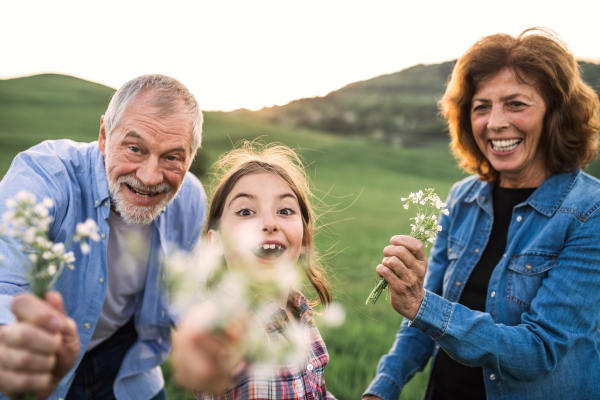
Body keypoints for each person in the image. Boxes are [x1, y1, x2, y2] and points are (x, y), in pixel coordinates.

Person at [363, 28, 600, 400]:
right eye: (481, 107)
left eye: (516, 104)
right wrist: (382, 389)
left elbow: (539, 350)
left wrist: (422, 305)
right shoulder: (462, 198)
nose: (494, 122)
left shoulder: (590, 211)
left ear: (556, 113)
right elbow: (420, 318)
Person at [0, 74, 207, 400]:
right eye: (135, 149)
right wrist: (13, 345)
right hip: (47, 370)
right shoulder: (44, 177)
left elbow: (185, 291)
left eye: (171, 157)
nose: (150, 177)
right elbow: (3, 289)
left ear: (190, 157)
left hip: (129, 365)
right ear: (103, 136)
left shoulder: (190, 198)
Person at [170, 143, 337, 399]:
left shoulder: (301, 312)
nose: (270, 223)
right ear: (216, 243)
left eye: (285, 211)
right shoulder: (224, 320)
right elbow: (200, 346)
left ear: (304, 241)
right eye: (246, 211)